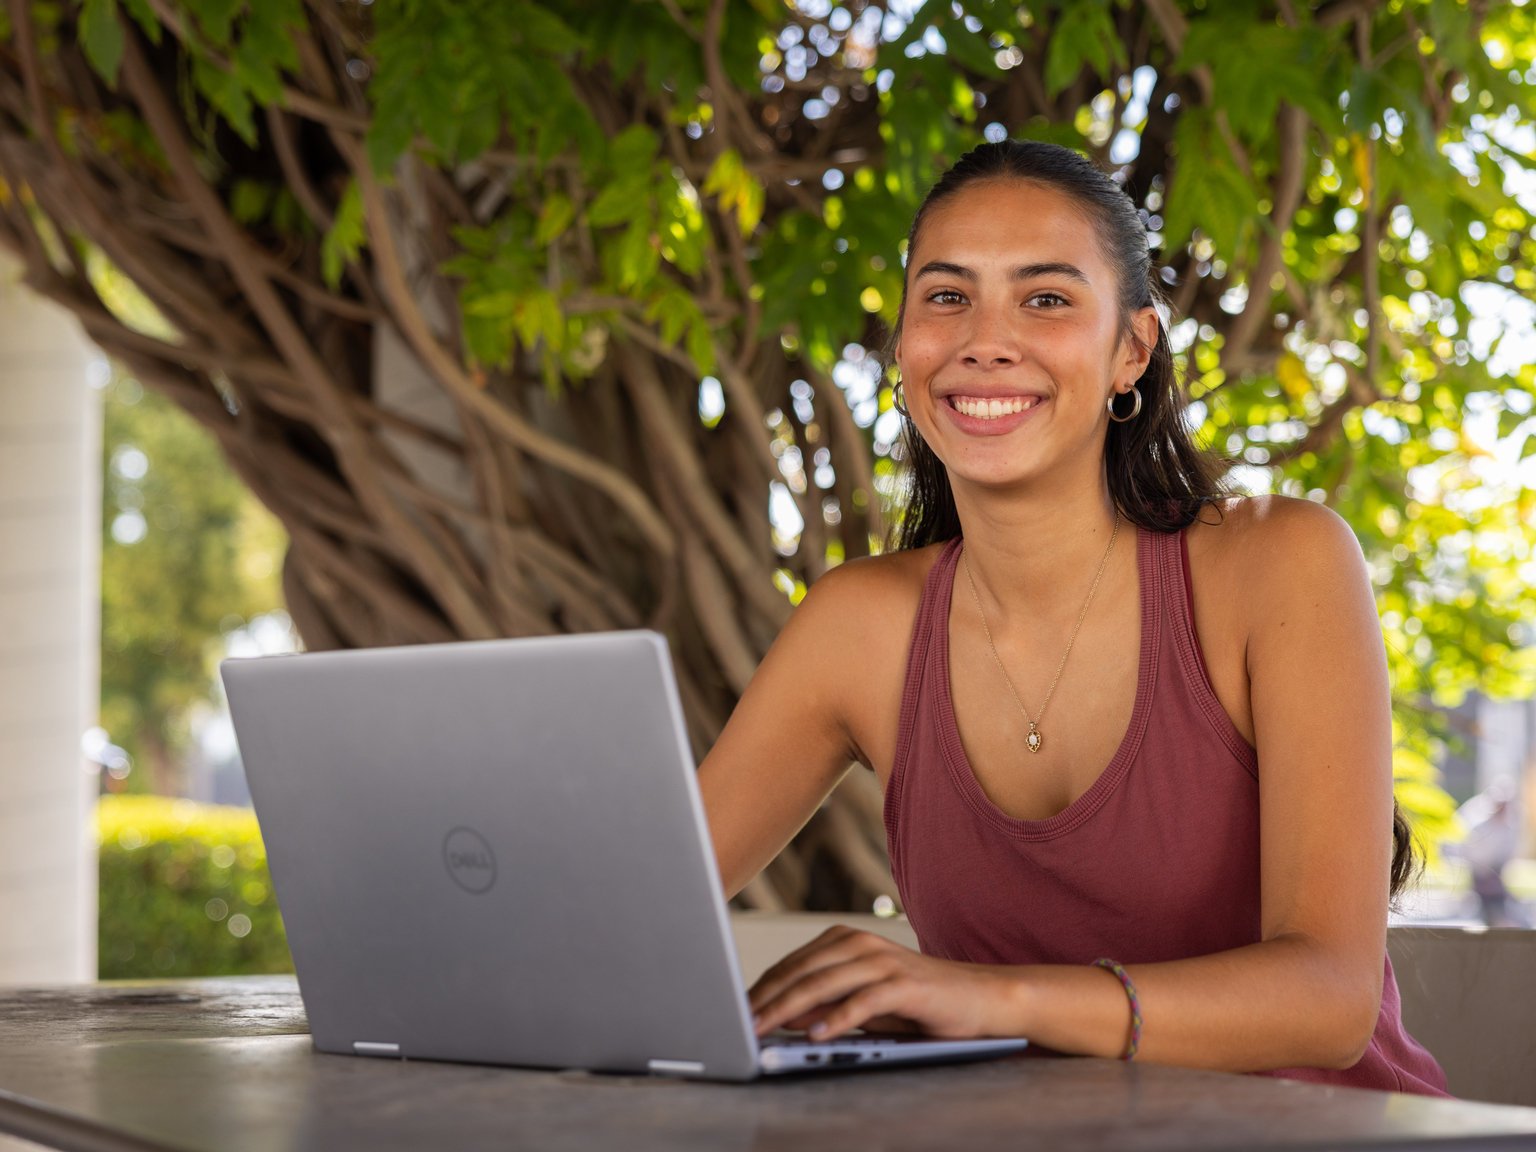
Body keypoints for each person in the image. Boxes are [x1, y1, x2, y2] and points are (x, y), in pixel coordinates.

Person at [695, 140, 1448, 1096]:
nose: (985, 338)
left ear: (1132, 348)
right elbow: (642, 912)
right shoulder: (861, 624)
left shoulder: (1278, 564)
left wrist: (992, 1000)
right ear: (905, 343)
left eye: (1045, 298)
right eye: (947, 295)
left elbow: (1329, 1001)